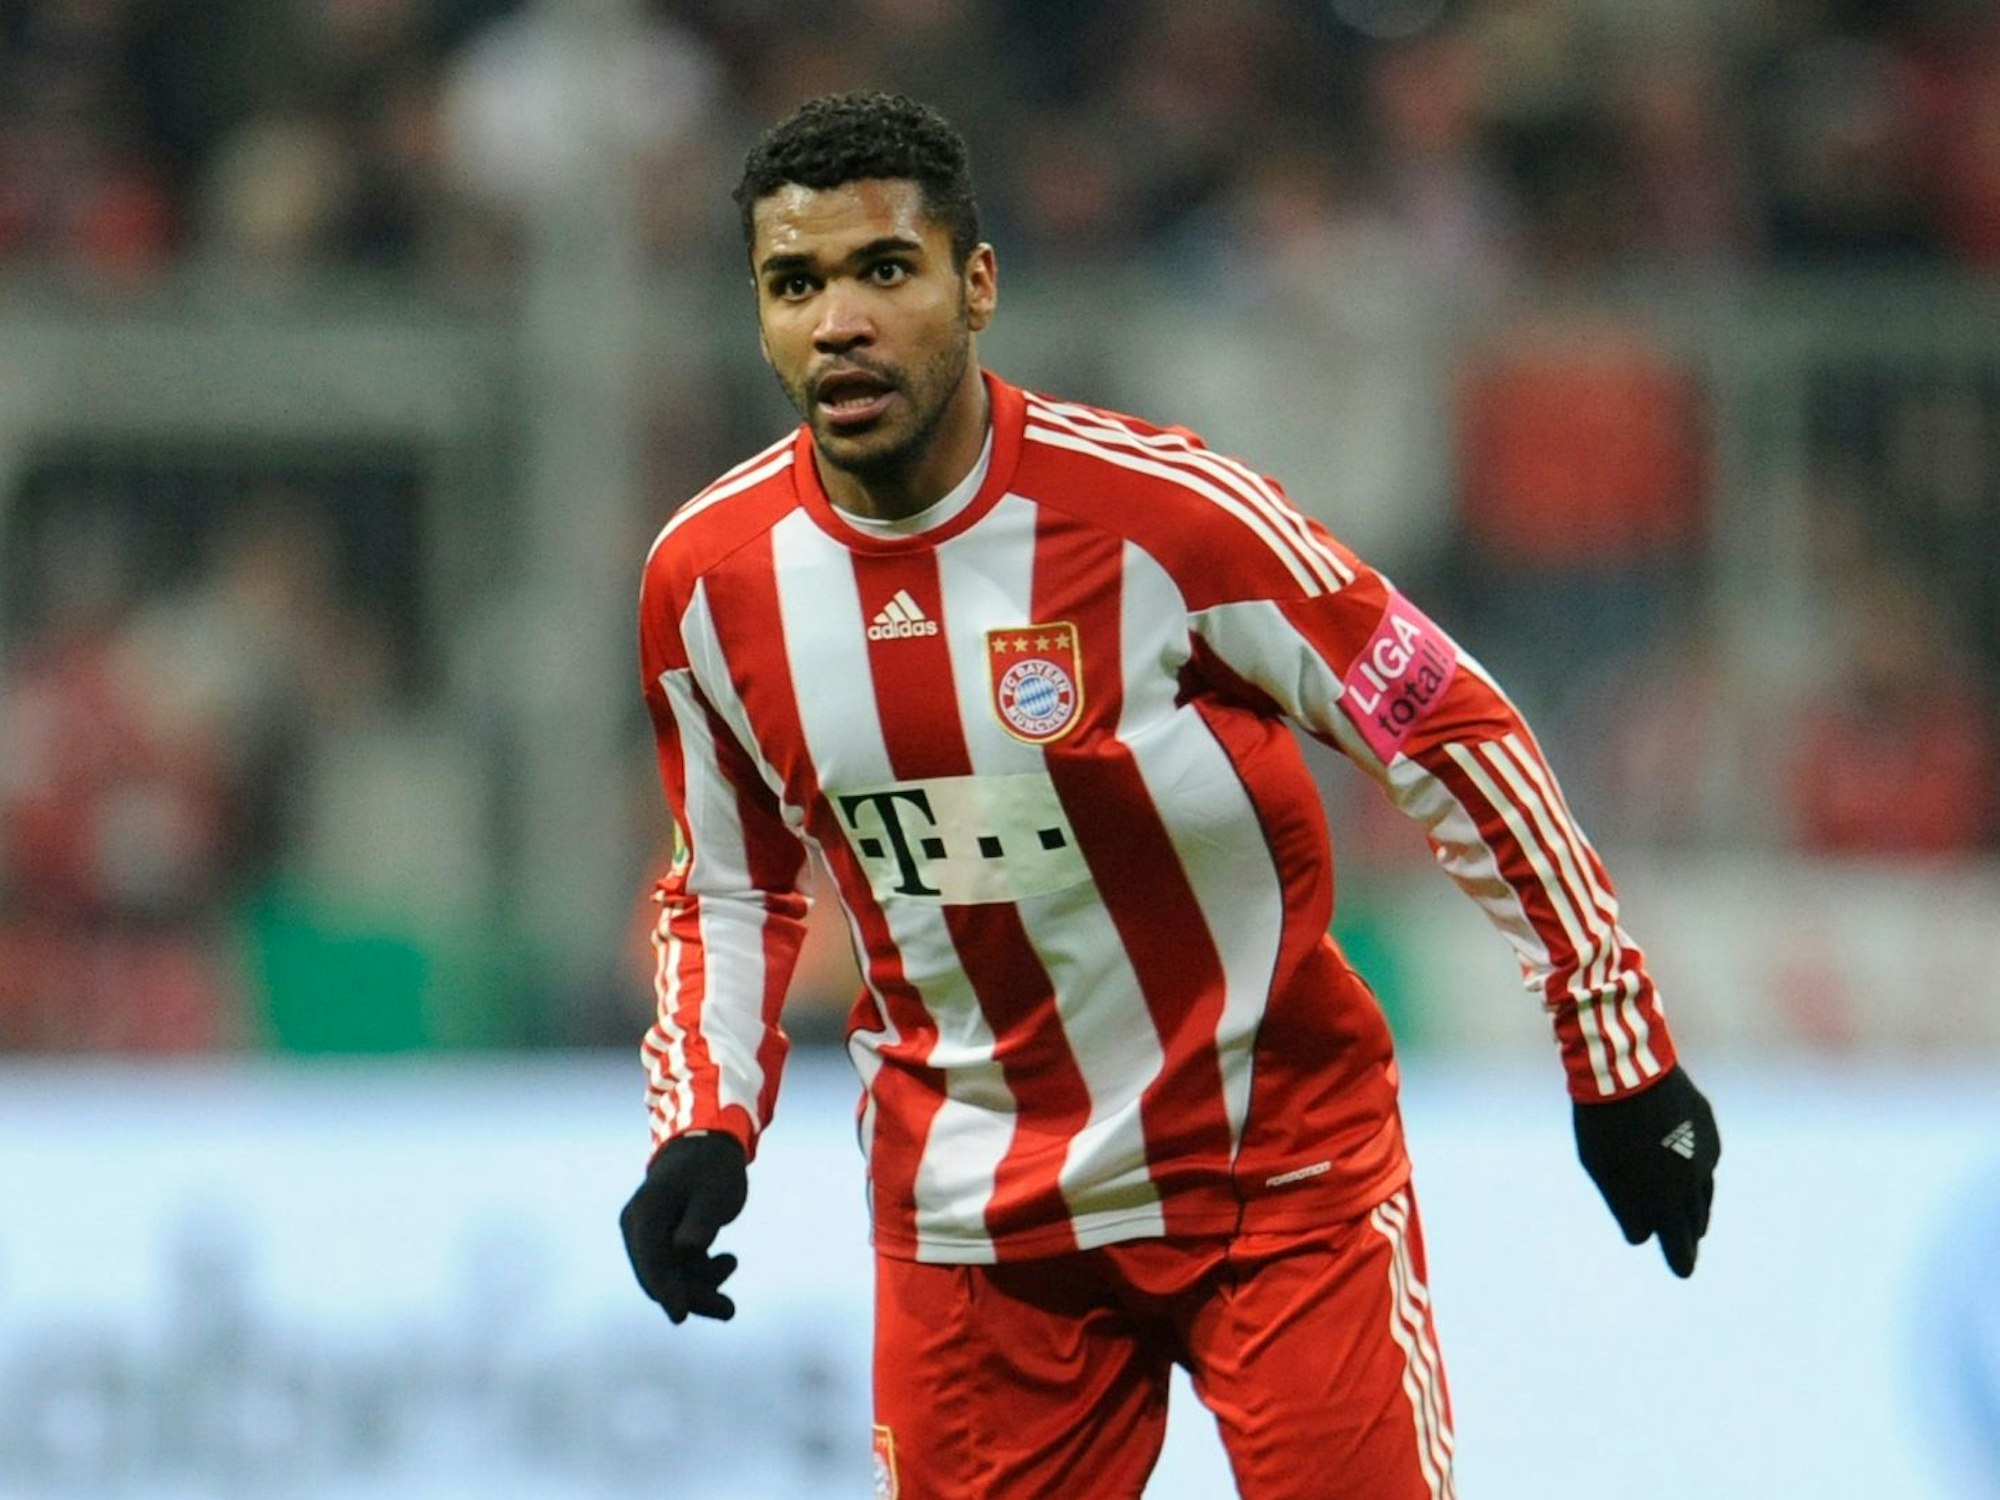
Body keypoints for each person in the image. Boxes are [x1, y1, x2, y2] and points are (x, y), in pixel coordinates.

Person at [619, 91, 1719, 1500]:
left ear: (977, 285)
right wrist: (703, 1126)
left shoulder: (1169, 517)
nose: (838, 321)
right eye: (795, 283)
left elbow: (1446, 729)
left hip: (1278, 1187)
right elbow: (727, 882)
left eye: (883, 270)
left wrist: (1615, 1048)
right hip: (975, 1226)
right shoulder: (707, 583)